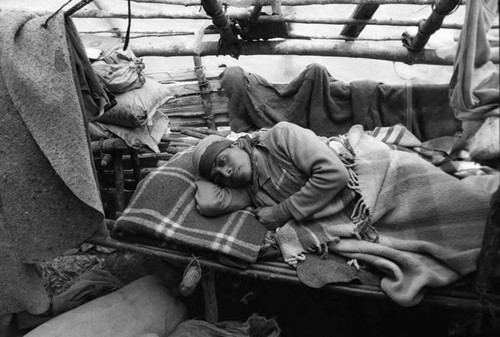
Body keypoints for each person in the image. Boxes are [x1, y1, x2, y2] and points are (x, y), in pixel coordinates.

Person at [192, 121, 352, 230]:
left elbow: (335, 173)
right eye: (218, 178)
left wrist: (282, 212)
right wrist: (202, 172)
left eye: (222, 161)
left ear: (236, 144)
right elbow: (209, 203)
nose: (226, 172)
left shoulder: (280, 137)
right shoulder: (247, 190)